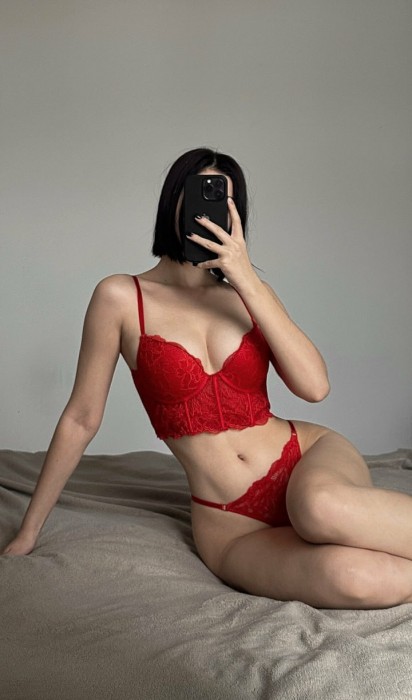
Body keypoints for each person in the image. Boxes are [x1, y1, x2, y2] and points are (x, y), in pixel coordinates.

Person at [2, 147, 412, 610]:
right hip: (231, 523)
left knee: (321, 509)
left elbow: (315, 388)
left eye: (223, 199)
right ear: (173, 200)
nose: (208, 208)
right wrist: (29, 531)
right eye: (198, 193)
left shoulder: (247, 295)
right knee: (357, 578)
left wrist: (246, 279)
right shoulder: (120, 296)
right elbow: (81, 419)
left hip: (306, 460)